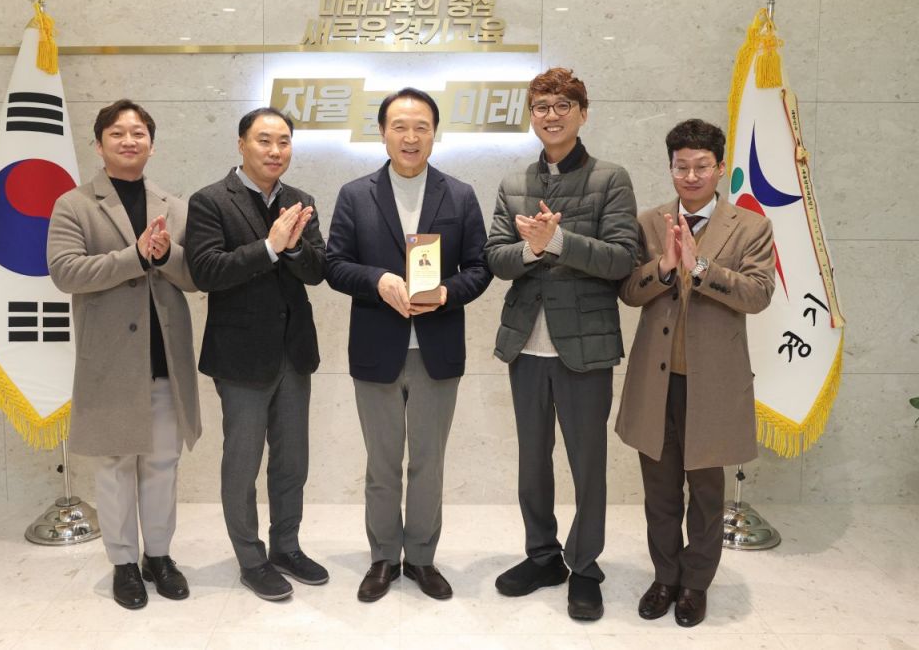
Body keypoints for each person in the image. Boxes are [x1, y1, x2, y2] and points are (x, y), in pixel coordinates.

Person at [326, 87, 492, 602]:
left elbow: (481, 267)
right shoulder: (355, 195)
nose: (410, 136)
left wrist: (446, 292)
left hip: (436, 351)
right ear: (382, 132)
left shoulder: (459, 195)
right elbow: (334, 264)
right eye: (399, 126)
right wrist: (377, 280)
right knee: (381, 464)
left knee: (428, 463)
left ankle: (420, 557)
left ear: (434, 133)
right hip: (376, 348)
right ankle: (383, 557)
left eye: (421, 126)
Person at [486, 68, 639, 621]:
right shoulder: (513, 184)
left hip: (586, 347)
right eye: (541, 106)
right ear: (532, 116)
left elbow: (622, 259)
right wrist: (530, 251)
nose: (551, 115)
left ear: (583, 113)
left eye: (562, 105)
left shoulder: (611, 178)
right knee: (533, 461)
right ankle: (543, 556)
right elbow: (495, 257)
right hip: (525, 345)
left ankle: (586, 567)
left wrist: (559, 241)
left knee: (587, 463)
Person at [616, 118, 775, 627]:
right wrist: (665, 266)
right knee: (659, 490)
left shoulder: (750, 226)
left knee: (706, 494)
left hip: (714, 385)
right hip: (656, 381)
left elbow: (758, 295)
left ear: (720, 168)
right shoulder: (650, 222)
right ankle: (665, 577)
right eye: (681, 166)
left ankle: (695, 584)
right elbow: (628, 291)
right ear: (670, 168)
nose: (690, 176)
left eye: (701, 166)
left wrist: (700, 267)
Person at [47, 99, 200, 610]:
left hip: (164, 357)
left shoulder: (174, 205)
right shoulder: (74, 204)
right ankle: (123, 563)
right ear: (99, 144)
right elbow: (66, 271)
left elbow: (194, 276)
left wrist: (166, 254)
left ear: (152, 145)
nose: (129, 140)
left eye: (139, 133)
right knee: (115, 464)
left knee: (162, 462)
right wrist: (134, 256)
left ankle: (159, 556)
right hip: (111, 359)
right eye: (117, 133)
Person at [185, 107, 327, 601]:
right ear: (241, 144)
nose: (275, 150)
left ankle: (286, 546)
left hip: (294, 353)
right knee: (242, 463)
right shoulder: (210, 201)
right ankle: (251, 558)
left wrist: (294, 248)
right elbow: (205, 271)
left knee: (292, 462)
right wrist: (269, 246)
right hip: (240, 357)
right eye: (264, 140)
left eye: (284, 141)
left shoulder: (301, 201)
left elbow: (317, 271)